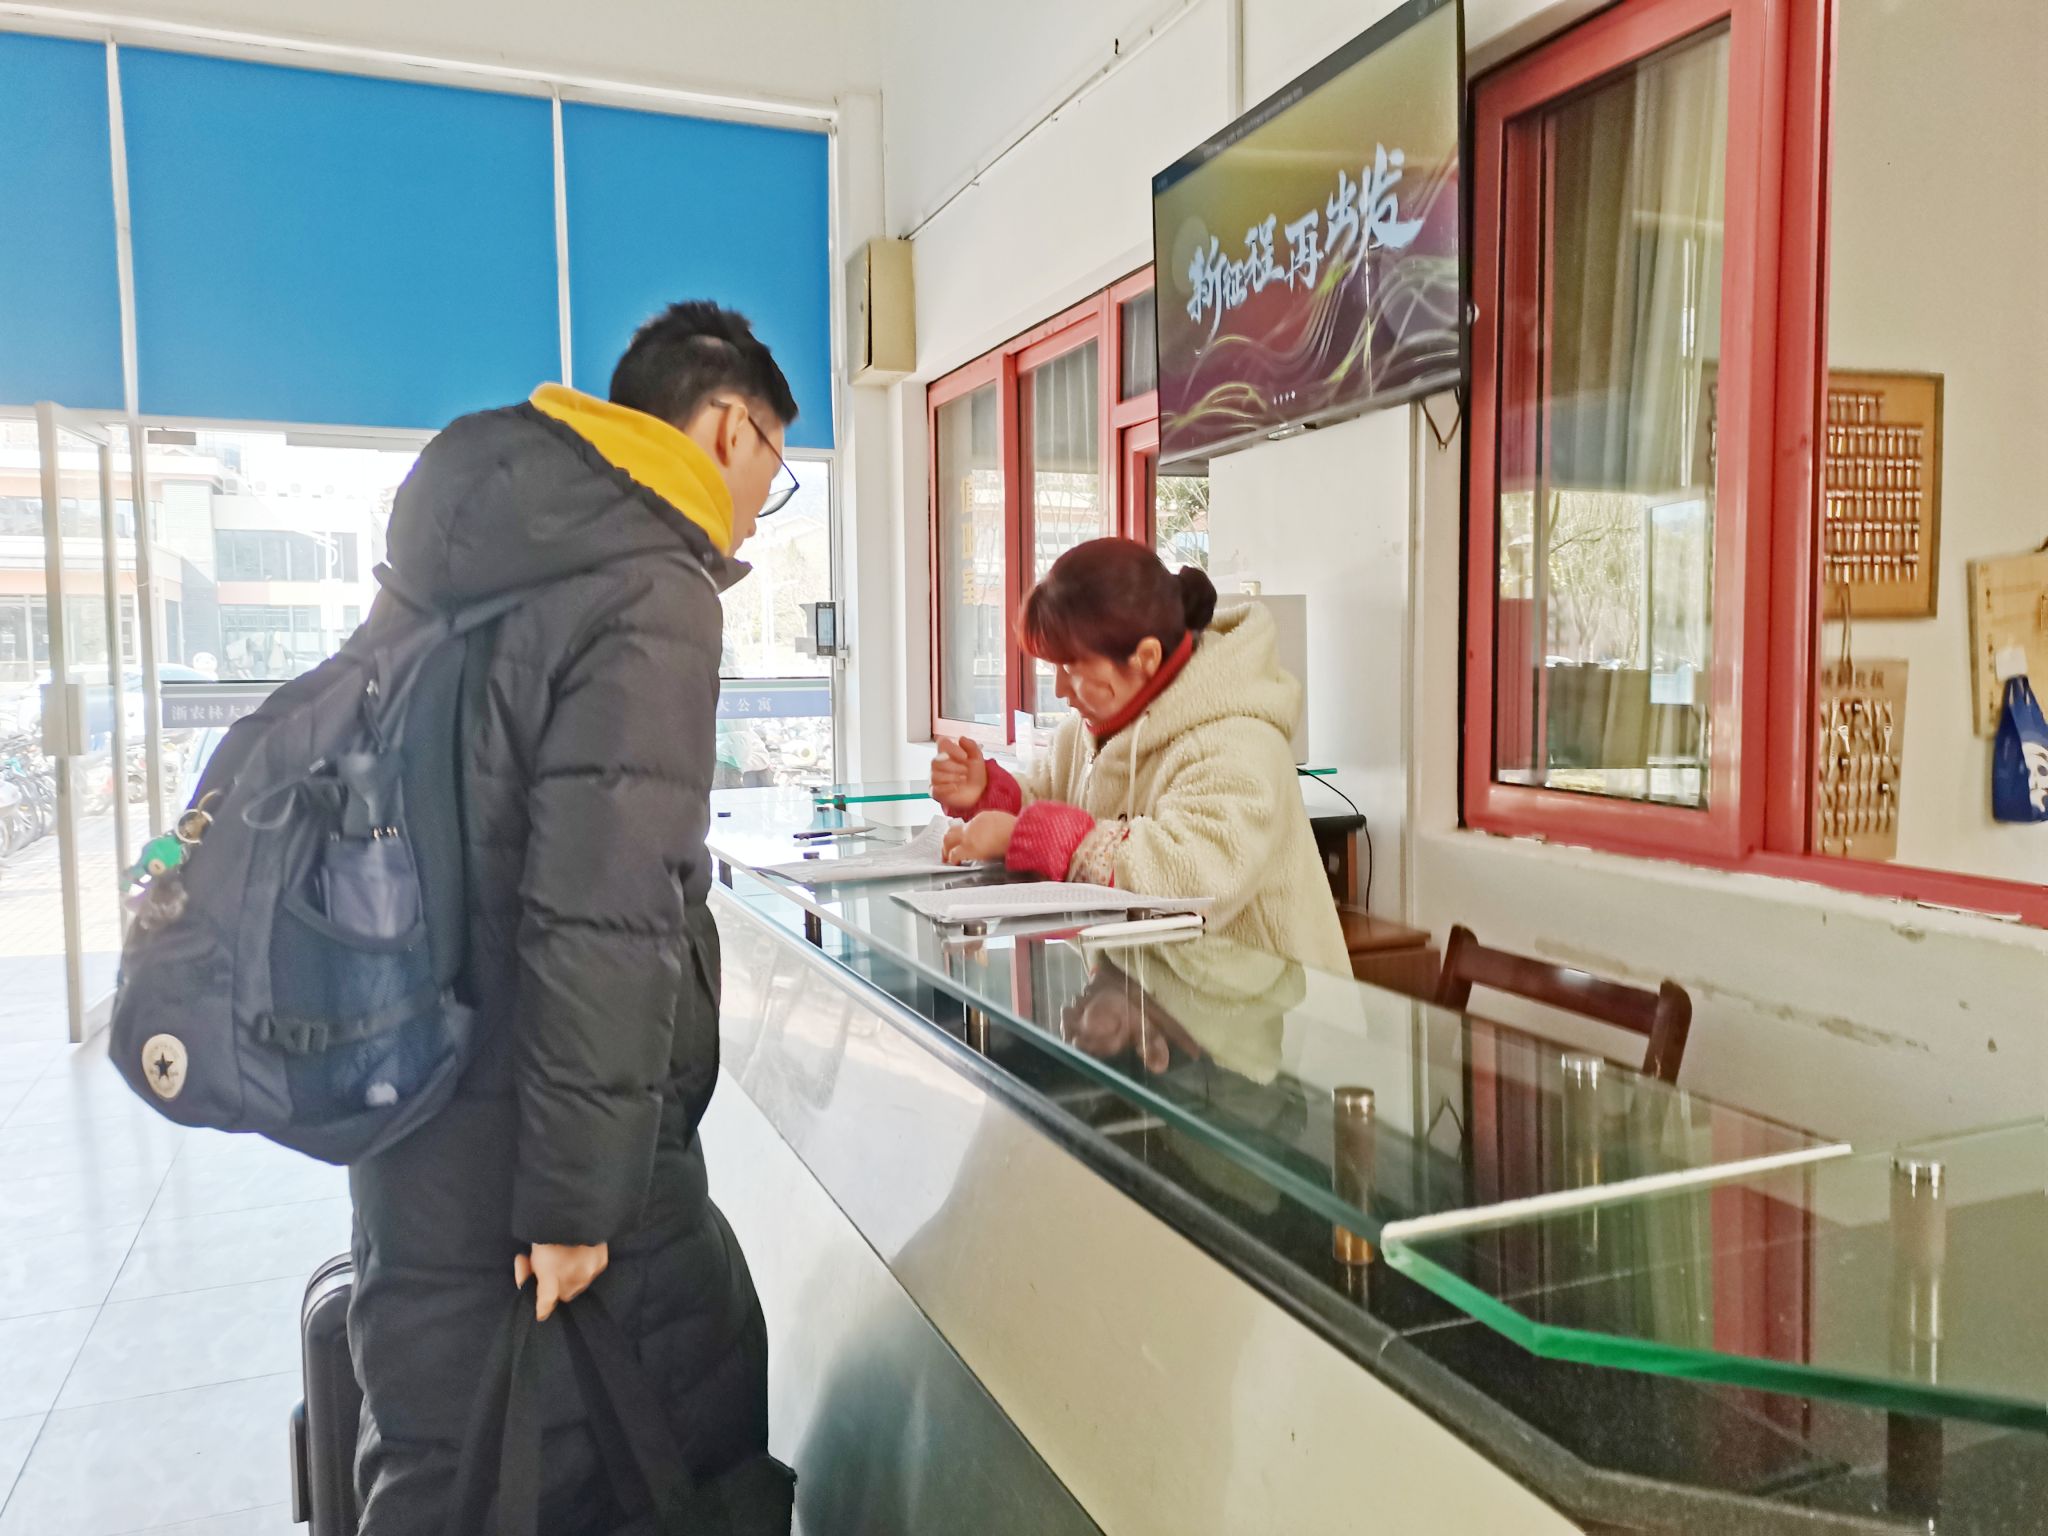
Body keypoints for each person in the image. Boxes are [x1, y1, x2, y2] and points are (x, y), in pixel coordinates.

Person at [349, 301, 799, 1533]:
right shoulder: (648, 585)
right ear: (729, 428)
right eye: (772, 470)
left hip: (420, 1105)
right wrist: (575, 1207)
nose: (758, 505)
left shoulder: (464, 561)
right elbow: (604, 914)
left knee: (446, 1454)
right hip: (542, 1154)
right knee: (650, 1439)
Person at [933, 538, 1349, 975]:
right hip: (1148, 999)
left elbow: (1191, 875)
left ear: (1145, 657)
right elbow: (1046, 803)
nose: (1059, 690)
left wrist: (1023, 835)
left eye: (1072, 669)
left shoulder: (1238, 741)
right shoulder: (1085, 731)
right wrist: (990, 794)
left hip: (1271, 1006)